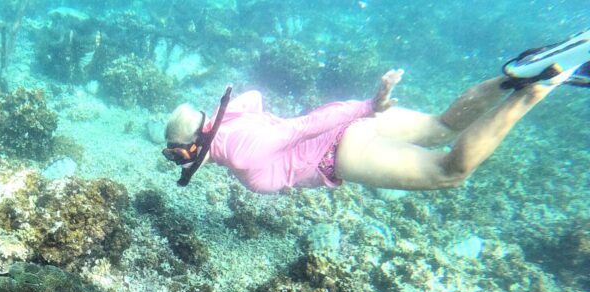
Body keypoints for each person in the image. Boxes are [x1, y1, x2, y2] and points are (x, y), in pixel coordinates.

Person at [162, 29, 590, 193]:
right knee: (443, 126)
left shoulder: (239, 151)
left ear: (194, 144)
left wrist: (367, 106)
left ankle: (541, 85)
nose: (177, 159)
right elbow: (253, 96)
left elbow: (303, 127)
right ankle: (514, 76)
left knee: (450, 170)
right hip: (349, 127)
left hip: (340, 150)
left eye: (175, 152)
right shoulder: (231, 117)